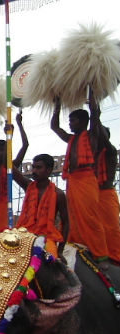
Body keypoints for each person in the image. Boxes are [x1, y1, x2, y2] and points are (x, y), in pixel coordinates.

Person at [51, 96, 108, 261]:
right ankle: (75, 246)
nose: (70, 124)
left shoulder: (92, 136)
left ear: (84, 122)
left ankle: (101, 255)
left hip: (87, 179)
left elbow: (96, 120)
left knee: (90, 216)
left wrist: (94, 108)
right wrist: (57, 105)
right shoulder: (71, 139)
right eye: (69, 121)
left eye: (73, 120)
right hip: (72, 180)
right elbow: (54, 126)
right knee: (72, 216)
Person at [13, 154, 69, 258]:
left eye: (38, 168)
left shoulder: (59, 194)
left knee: (52, 263)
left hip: (47, 238)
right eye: (33, 167)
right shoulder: (28, 186)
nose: (34, 171)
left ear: (49, 170)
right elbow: (10, 168)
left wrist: (60, 250)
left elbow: (65, 223)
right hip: (25, 235)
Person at [96, 126, 120, 264]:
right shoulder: (89, 154)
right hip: (90, 197)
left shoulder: (110, 152)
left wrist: (95, 115)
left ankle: (116, 262)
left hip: (106, 197)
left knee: (110, 232)